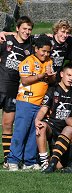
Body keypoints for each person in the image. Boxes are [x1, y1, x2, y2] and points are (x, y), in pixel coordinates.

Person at [7, 35, 56, 171]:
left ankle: (29, 160)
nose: (46, 54)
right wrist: (41, 75)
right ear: (36, 49)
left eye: (48, 52)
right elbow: (25, 80)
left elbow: (51, 81)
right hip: (26, 102)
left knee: (34, 133)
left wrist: (51, 77)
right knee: (21, 131)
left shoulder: (49, 61)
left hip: (40, 104)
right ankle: (13, 160)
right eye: (43, 51)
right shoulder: (29, 61)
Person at [0, 16, 34, 168]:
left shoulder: (30, 46)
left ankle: (8, 159)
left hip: (13, 90)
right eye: (24, 28)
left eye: (29, 29)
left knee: (8, 124)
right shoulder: (6, 40)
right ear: (17, 28)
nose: (27, 32)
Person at [34, 63, 72, 170]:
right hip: (52, 126)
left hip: (66, 130)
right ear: (62, 74)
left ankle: (57, 160)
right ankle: (44, 162)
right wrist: (37, 120)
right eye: (69, 75)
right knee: (41, 126)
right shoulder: (52, 90)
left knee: (60, 166)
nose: (71, 78)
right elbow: (43, 109)